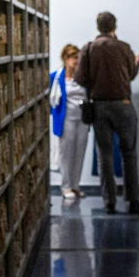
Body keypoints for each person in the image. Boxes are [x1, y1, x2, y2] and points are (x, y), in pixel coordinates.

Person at [74, 12, 139, 213]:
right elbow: (131, 75)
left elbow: (80, 78)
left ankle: (109, 202)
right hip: (123, 105)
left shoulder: (89, 49)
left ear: (97, 27)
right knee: (129, 153)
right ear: (114, 27)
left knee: (105, 155)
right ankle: (132, 201)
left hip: (99, 107)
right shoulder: (124, 47)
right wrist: (136, 63)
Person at [50, 44, 90, 201]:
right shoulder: (56, 77)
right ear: (65, 59)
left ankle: (75, 185)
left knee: (79, 153)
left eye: (78, 58)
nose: (77, 61)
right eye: (74, 58)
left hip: (82, 120)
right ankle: (65, 186)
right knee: (66, 154)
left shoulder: (83, 77)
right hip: (65, 120)